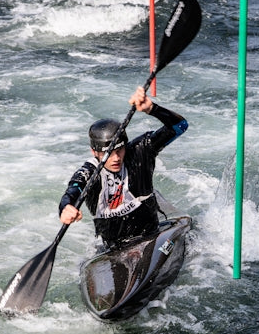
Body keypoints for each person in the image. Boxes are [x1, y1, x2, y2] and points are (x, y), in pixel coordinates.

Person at [58, 86, 188, 250]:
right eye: (109, 154)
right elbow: (73, 190)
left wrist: (153, 109)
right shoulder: (89, 172)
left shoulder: (140, 151)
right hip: (113, 248)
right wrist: (65, 207)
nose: (116, 158)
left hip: (150, 236)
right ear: (94, 152)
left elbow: (180, 126)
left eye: (119, 151)